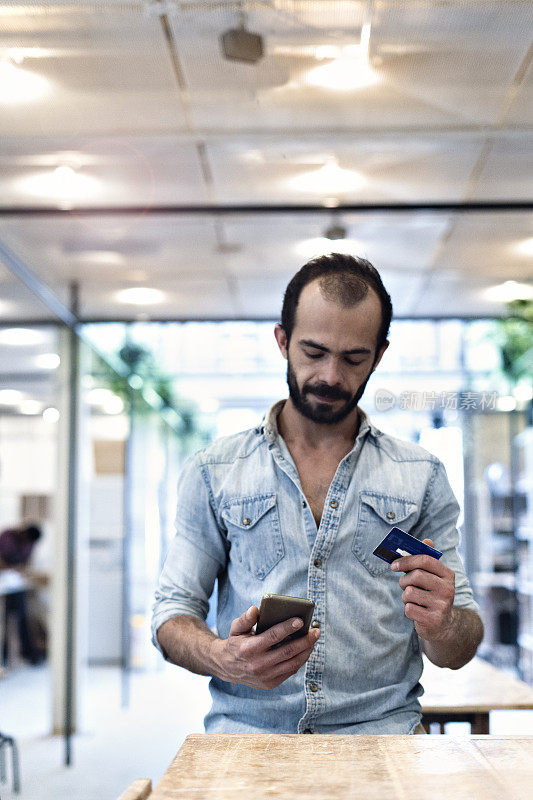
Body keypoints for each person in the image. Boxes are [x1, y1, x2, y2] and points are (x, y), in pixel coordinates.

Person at [151, 253, 483, 735]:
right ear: (282, 341)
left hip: (381, 742)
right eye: (313, 352)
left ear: (380, 355)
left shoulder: (422, 476)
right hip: (248, 741)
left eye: (354, 358)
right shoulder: (214, 471)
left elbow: (459, 645)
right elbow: (171, 614)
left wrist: (443, 624)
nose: (331, 376)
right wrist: (223, 657)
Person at [0, 524, 45, 665]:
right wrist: (14, 568)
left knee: (20, 616)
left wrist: (22, 570)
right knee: (7, 619)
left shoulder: (29, 544)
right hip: (4, 581)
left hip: (15, 583)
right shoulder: (8, 537)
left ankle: (27, 653)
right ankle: (6, 655)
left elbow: (26, 563)